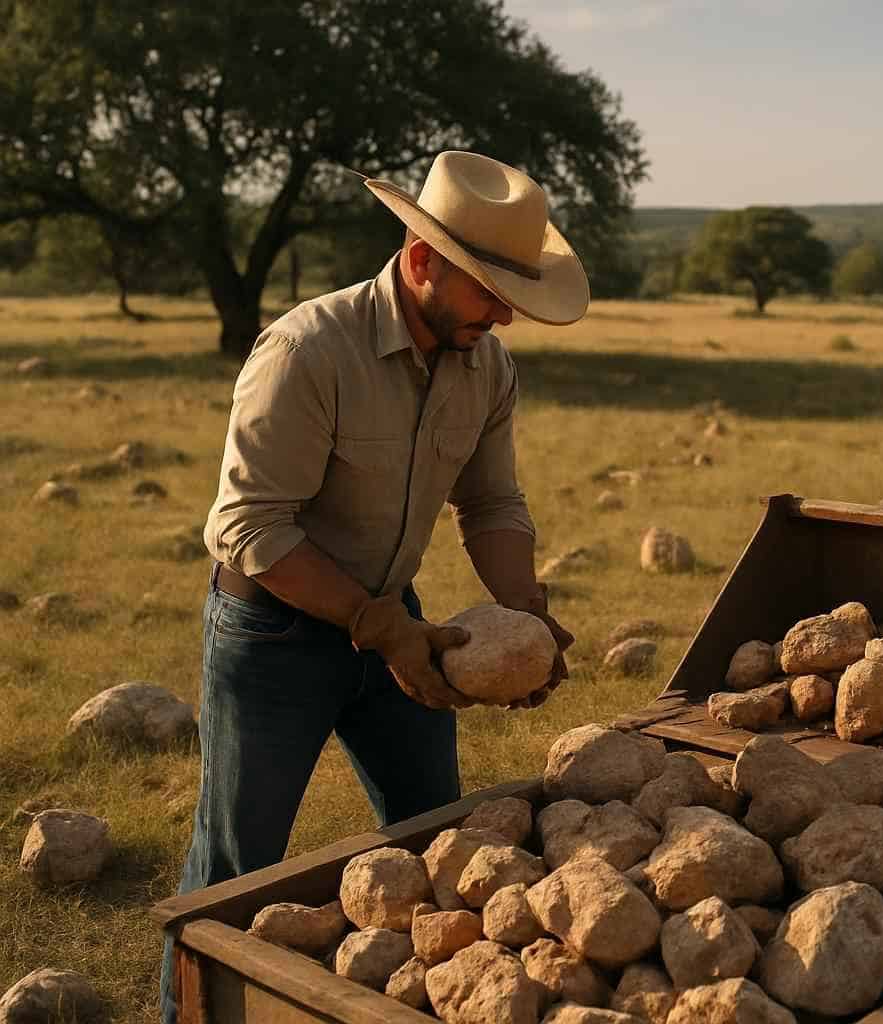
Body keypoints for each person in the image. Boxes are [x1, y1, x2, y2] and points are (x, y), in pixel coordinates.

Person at [159, 151, 581, 1022]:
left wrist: (524, 616)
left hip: (402, 622)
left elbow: (492, 500)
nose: (504, 314)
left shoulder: (487, 364)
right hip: (274, 631)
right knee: (238, 871)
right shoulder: (310, 349)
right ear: (422, 260)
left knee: (438, 845)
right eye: (488, 290)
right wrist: (374, 624)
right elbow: (251, 527)